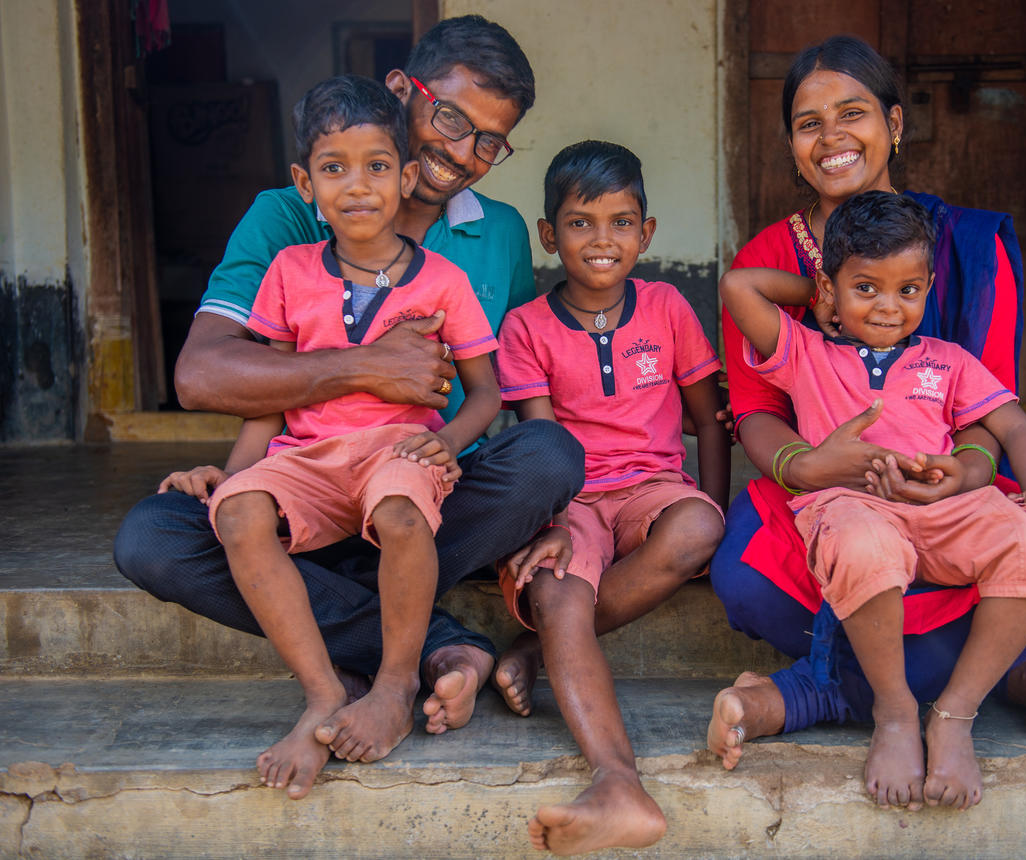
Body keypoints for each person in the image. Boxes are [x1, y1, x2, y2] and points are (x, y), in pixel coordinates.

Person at [113, 15, 585, 739]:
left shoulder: (501, 234)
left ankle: (353, 617)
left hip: (424, 495)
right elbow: (201, 376)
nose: (460, 153)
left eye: (488, 141)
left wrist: (560, 522)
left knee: (549, 456)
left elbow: (517, 383)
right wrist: (363, 368)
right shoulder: (286, 217)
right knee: (153, 537)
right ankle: (428, 641)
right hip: (301, 488)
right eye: (450, 116)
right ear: (401, 90)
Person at [707, 34, 1026, 791]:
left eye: (851, 113)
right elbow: (756, 412)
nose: (831, 138)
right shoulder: (769, 257)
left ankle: (823, 691)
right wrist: (809, 463)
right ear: (791, 144)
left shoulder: (969, 245)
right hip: (828, 494)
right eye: (807, 122)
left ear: (894, 123)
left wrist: (967, 472)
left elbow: (993, 411)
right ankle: (1001, 681)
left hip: (950, 495)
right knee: (747, 578)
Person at [159, 74, 502, 798]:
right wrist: (234, 475)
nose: (357, 186)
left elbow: (486, 391)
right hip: (306, 459)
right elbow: (275, 393)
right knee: (239, 516)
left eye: (378, 166)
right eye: (333, 168)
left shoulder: (442, 281)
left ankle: (394, 683)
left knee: (404, 513)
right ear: (303, 183)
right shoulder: (286, 271)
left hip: (396, 451)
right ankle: (320, 691)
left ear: (405, 176)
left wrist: (453, 438)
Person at [494, 141, 729, 854]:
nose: (602, 241)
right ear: (549, 235)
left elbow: (710, 419)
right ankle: (616, 780)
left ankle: (538, 653)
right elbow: (543, 448)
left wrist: (713, 507)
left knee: (693, 531)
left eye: (621, 222)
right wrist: (556, 521)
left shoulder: (667, 306)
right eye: (580, 223)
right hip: (574, 499)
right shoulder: (526, 328)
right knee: (559, 587)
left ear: (646, 232)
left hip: (654, 490)